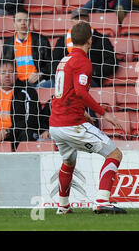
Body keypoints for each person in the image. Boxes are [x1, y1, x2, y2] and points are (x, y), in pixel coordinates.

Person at [49, 21, 126, 215]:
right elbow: (82, 92)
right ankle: (102, 200)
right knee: (114, 154)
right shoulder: (83, 61)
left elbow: (65, 93)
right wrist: (104, 113)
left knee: (68, 162)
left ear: (72, 39)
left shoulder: (64, 60)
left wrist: (82, 112)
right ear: (90, 40)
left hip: (56, 125)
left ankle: (63, 205)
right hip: (71, 124)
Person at [0, 58, 49, 150]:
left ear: (16, 74)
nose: (7, 76)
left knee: (28, 133)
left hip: (16, 135)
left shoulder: (28, 91)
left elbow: (32, 119)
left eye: (11, 72)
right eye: (3, 72)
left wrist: (7, 132)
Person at [51, 8, 117, 87]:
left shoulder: (101, 39)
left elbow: (112, 62)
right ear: (71, 21)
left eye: (83, 18)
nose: (80, 21)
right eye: (77, 18)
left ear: (88, 20)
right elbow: (53, 63)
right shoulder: (62, 41)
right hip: (64, 79)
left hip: (89, 79)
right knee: (44, 86)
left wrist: (92, 70)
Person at [2, 8, 53, 88]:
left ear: (30, 22)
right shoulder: (8, 44)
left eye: (26, 20)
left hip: (38, 83)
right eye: (19, 20)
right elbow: (4, 66)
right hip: (16, 84)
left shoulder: (41, 40)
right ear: (14, 23)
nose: (23, 23)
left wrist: (41, 74)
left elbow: (50, 64)